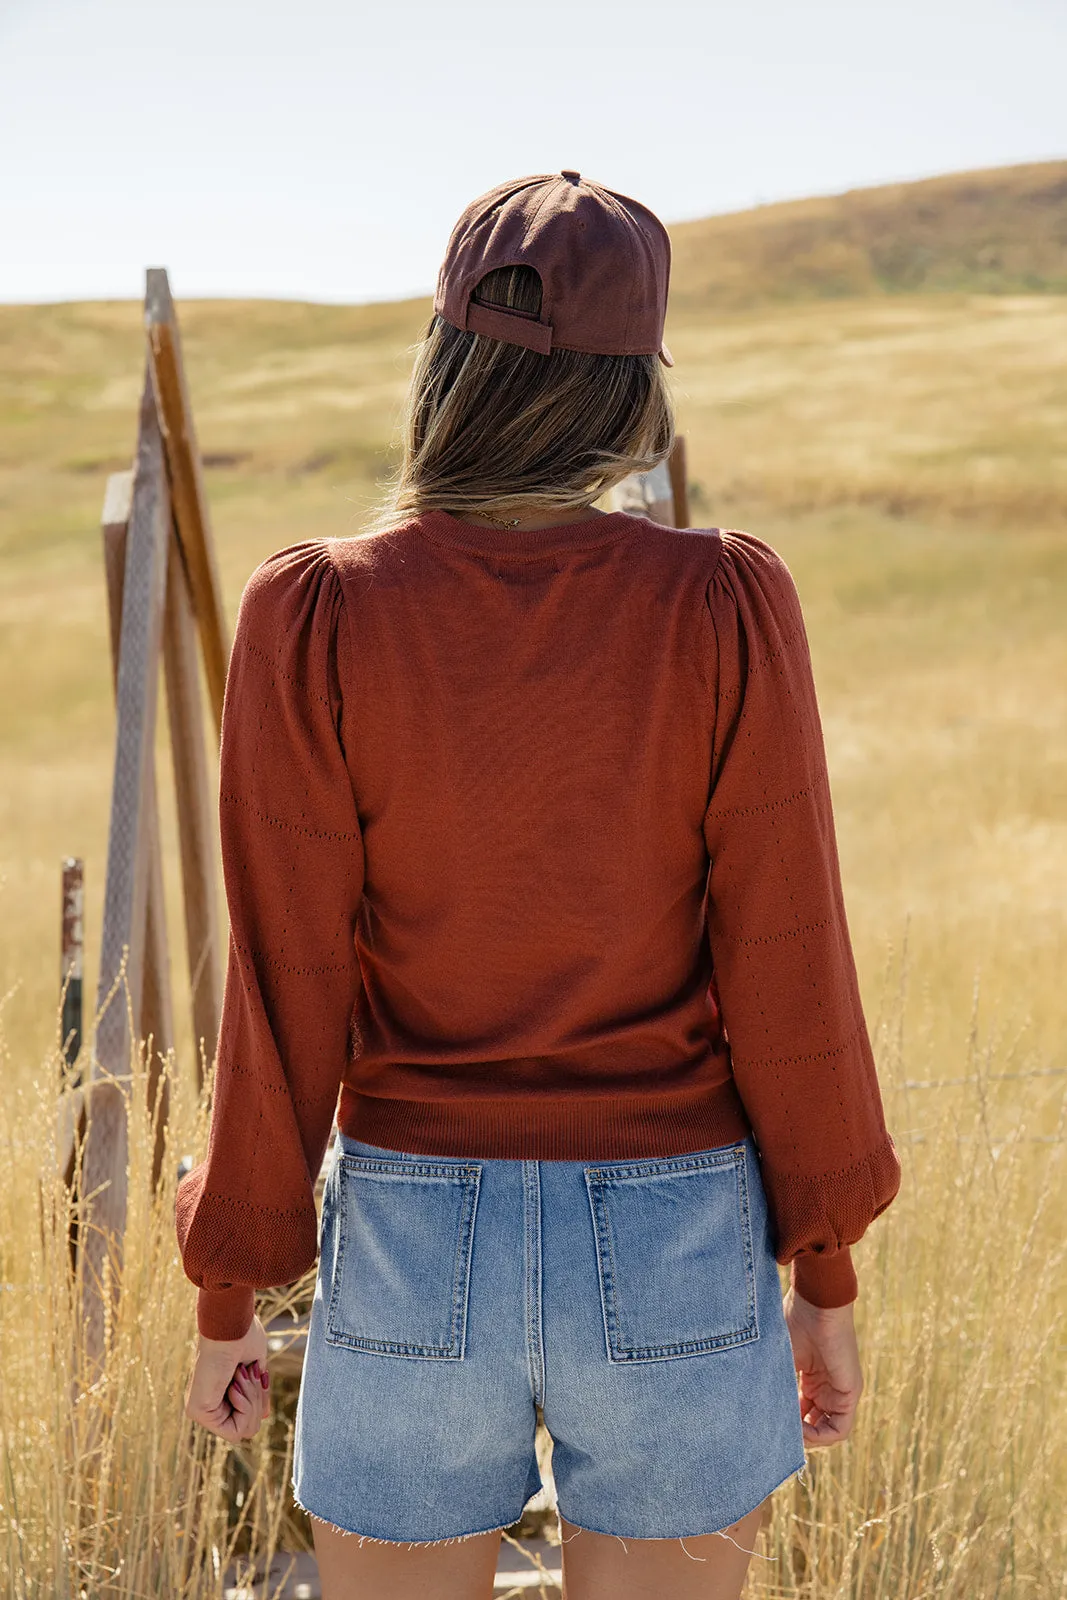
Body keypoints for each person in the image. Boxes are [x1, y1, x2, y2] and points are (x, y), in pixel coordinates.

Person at [177, 170, 901, 1600]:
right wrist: (821, 1274)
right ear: (633, 392)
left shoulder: (316, 609)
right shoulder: (722, 603)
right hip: (678, 1233)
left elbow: (279, 987)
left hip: (407, 1242)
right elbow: (788, 960)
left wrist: (228, 1297)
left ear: (444, 362)